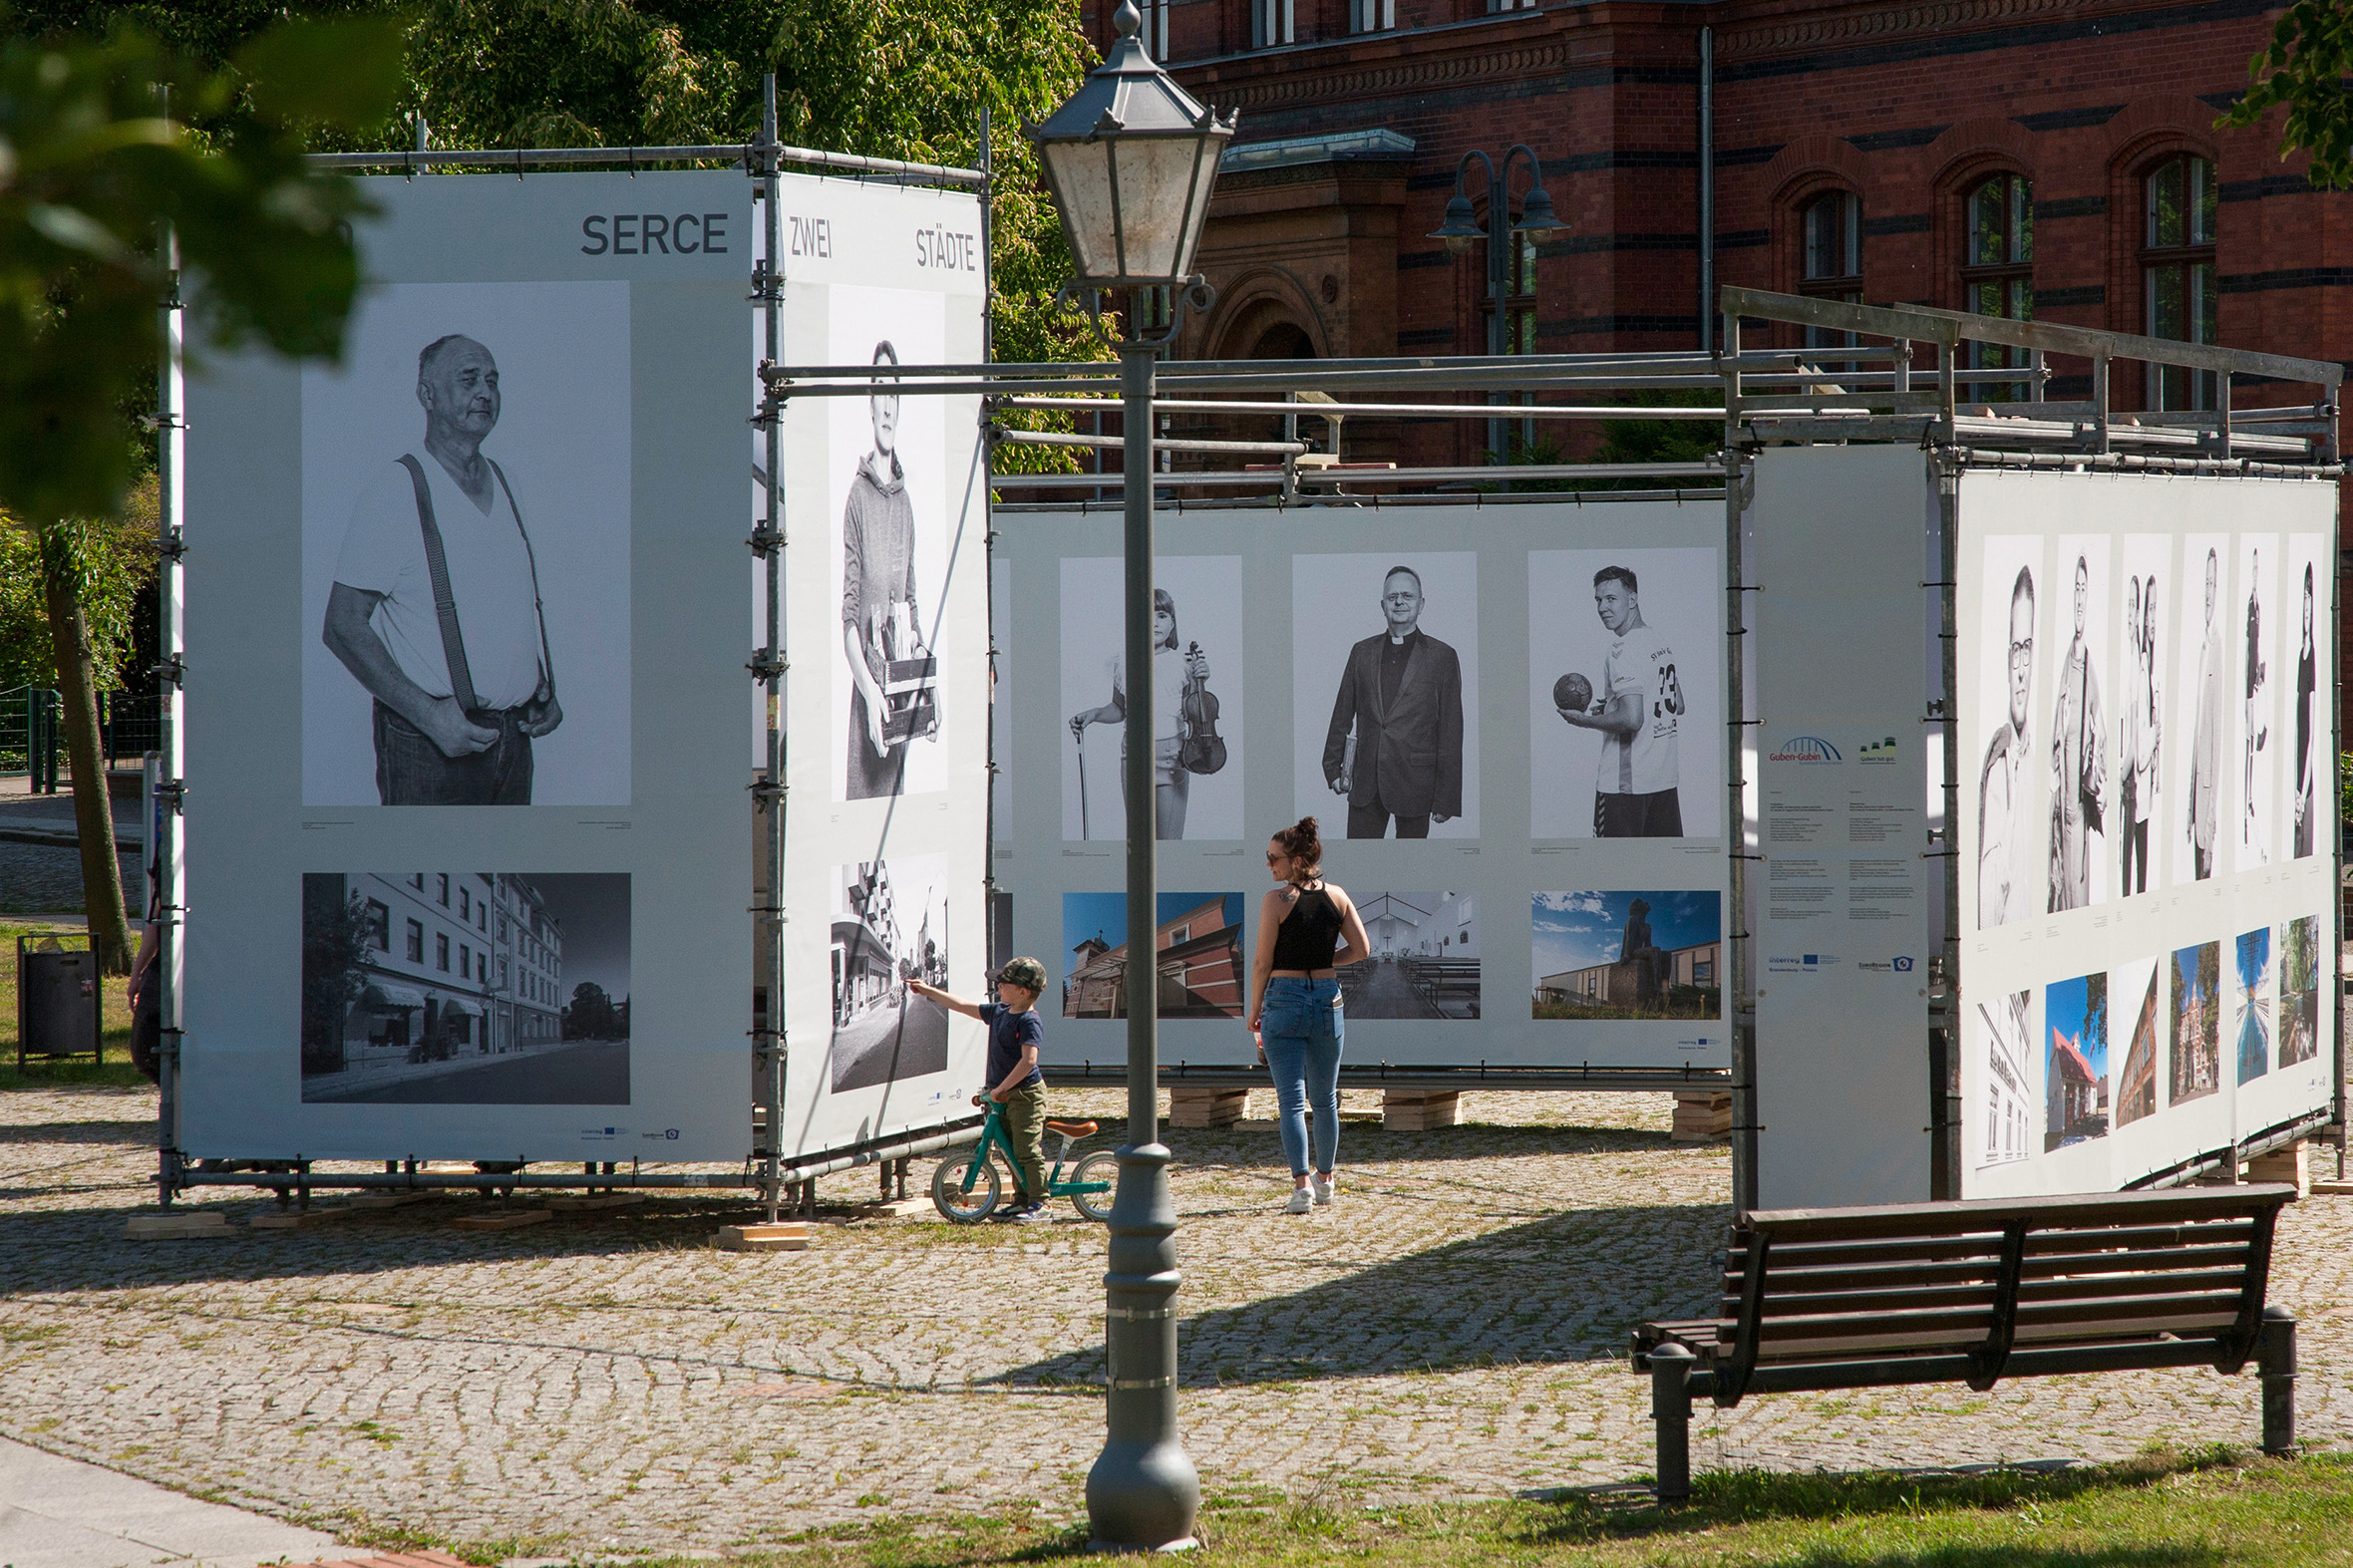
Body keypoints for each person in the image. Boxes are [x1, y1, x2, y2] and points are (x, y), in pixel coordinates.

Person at [323, 334, 560, 805]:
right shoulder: (396, 489)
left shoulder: (506, 480)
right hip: (429, 747)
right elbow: (342, 625)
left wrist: (536, 687)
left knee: (504, 874)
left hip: (514, 742)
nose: (485, 393)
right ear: (426, 395)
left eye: (492, 381)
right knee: (426, 872)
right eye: (469, 379)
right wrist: (431, 718)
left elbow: (502, 601)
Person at [1245, 816, 1371, 1214]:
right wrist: (1325, 959)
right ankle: (1326, 1180)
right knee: (1326, 1100)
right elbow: (1363, 949)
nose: (1268, 865)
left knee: (1291, 1102)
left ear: (1297, 862)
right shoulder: (1338, 897)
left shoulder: (1276, 901)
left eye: (1273, 858)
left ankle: (1301, 1188)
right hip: (1328, 999)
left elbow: (1263, 961)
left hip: (1283, 998)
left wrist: (1253, 1010)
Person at [842, 340, 932, 801]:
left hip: (898, 700)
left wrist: (922, 671)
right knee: (861, 839)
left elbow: (911, 605)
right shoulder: (857, 498)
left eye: (895, 393)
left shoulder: (907, 504)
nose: (888, 406)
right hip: (870, 702)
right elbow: (850, 620)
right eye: (880, 389)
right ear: (869, 401)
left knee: (891, 840)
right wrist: (870, 691)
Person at [1323, 566, 1465, 838]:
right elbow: (1341, 715)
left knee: (1410, 874)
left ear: (1421, 604)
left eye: (1408, 596)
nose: (1399, 602)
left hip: (1417, 786)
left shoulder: (1442, 657)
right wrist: (1332, 769)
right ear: (1382, 605)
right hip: (1365, 783)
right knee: (1361, 869)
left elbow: (1451, 729)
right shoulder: (1361, 652)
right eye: (1392, 597)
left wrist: (1446, 797)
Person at [909, 957, 1054, 1224]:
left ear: (1023, 991)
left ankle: (1040, 1202)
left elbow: (1029, 1061)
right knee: (1009, 1150)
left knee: (1026, 1150)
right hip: (1004, 1095)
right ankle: (1021, 1200)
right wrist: (928, 991)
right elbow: (963, 1006)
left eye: (1004, 982)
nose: (998, 985)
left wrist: (1002, 1087)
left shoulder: (1028, 1020)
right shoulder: (1000, 1011)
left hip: (1025, 1095)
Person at [1069, 587, 1212, 839]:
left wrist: (1201, 680)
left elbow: (1198, 713)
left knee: (1168, 843)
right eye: (1147, 616)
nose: (1154, 623)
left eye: (1161, 616)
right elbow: (1120, 709)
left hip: (1172, 756)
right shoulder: (1122, 661)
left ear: (1172, 622)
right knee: (1139, 845)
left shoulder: (1185, 663)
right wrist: (1093, 714)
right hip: (1133, 757)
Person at [1556, 564, 1684, 836]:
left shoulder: (1621, 650)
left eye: (1611, 599)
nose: (1603, 607)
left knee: (1612, 872)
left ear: (1633, 600)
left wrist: (1585, 721)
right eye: (1598, 600)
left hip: (1626, 786)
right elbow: (1677, 704)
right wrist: (1615, 703)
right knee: (1663, 871)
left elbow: (1631, 719)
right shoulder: (1658, 641)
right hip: (1663, 781)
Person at [1978, 565, 2035, 928]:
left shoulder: (2041, 766)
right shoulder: (1998, 766)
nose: (2020, 669)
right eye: (2015, 650)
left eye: (2027, 650)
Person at [2048, 554, 2105, 911]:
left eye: (2085, 590)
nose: (2080, 600)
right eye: (2076, 590)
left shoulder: (2089, 670)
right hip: (2060, 815)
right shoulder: (2064, 665)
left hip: (2078, 816)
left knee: (2078, 898)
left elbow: (2098, 736)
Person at [2120, 573, 2162, 895]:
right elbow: (2137, 738)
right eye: (2135, 607)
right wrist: (2153, 735)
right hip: (2132, 782)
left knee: (2141, 865)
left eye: (2148, 610)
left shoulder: (2145, 659)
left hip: (2142, 785)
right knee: (2130, 866)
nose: (2143, 618)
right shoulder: (2133, 662)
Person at [2190, 548, 2222, 880]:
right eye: (2206, 584)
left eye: (2213, 585)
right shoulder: (2202, 648)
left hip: (2207, 796)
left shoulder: (2216, 648)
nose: (2208, 594)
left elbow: (2215, 735)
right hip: (2197, 798)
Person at [2242, 548, 2269, 863]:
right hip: (2247, 692)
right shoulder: (2248, 608)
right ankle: (2247, 800)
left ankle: (2250, 801)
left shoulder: (2257, 607)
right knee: (2247, 749)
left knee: (2252, 748)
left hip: (2253, 691)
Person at [2294, 562, 2316, 858]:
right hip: (2296, 779)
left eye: (2311, 595)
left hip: (2305, 783)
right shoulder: (2300, 652)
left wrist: (2301, 787)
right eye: (2304, 596)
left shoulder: (2310, 657)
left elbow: (2311, 732)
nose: (2307, 605)